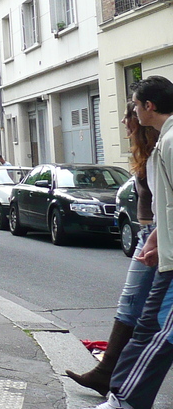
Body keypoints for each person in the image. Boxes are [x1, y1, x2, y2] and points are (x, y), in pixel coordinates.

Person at [67, 98, 160, 394]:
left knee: (141, 309)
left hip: (156, 233)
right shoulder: (146, 151)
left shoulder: (161, 148)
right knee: (136, 307)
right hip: (149, 232)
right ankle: (108, 372)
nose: (123, 122)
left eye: (128, 115)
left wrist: (158, 235)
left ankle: (110, 374)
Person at [96, 76, 173, 409]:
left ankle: (123, 400)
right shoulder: (165, 140)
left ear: (149, 106)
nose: (133, 112)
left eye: (136, 105)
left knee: (153, 332)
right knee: (151, 328)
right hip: (168, 256)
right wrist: (156, 239)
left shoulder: (170, 142)